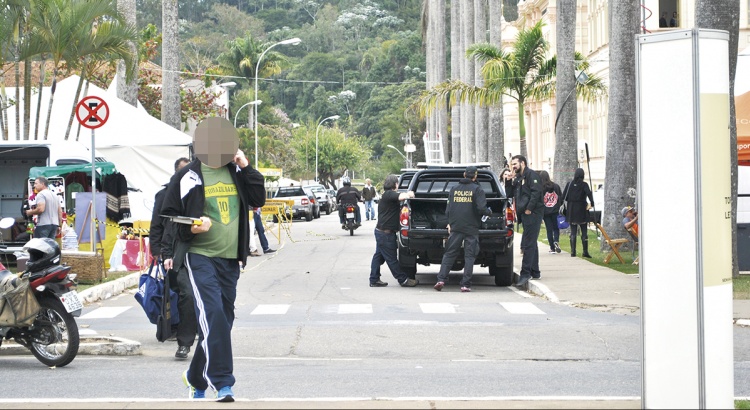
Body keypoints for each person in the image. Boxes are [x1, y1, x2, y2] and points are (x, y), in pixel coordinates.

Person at [161, 117, 266, 402]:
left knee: (224, 319)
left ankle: (195, 377)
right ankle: (222, 382)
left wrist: (246, 166)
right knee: (213, 315)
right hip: (200, 256)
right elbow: (169, 214)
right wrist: (192, 227)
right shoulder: (189, 176)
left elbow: (259, 198)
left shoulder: (235, 172)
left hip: (230, 258)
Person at [150, 157, 195, 360]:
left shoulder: (197, 191)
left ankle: (204, 333)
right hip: (178, 252)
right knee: (185, 294)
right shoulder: (167, 195)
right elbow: (162, 225)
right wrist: (161, 251)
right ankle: (184, 340)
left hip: (203, 251)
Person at [433, 166, 492, 292]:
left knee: (449, 253)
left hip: (456, 227)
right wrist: (489, 212)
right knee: (469, 256)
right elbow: (482, 209)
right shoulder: (477, 189)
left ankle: (441, 279)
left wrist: (450, 223)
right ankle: (465, 284)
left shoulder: (454, 189)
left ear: (464, 174)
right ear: (475, 176)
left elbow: (448, 209)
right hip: (471, 228)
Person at [368, 174, 419, 288]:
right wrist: (409, 194)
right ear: (395, 184)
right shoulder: (389, 194)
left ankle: (374, 279)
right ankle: (403, 280)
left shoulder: (386, 195)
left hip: (382, 232)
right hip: (385, 234)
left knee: (378, 257)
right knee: (392, 259)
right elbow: (401, 197)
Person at [511, 155, 543, 287]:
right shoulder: (519, 178)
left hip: (533, 213)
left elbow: (536, 193)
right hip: (524, 213)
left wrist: (529, 208)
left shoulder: (532, 176)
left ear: (522, 163)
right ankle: (535, 271)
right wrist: (508, 180)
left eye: (515, 164)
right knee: (531, 241)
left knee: (528, 243)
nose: (513, 167)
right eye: (512, 164)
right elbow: (511, 194)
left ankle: (526, 273)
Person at [562, 168, 595, 259]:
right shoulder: (584, 185)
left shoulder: (569, 184)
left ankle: (573, 251)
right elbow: (589, 193)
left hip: (571, 208)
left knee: (573, 231)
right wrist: (592, 203)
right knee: (584, 230)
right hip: (581, 208)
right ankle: (585, 251)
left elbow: (564, 196)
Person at [539, 170, 563, 254]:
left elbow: (539, 201)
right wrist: (558, 205)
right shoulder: (556, 186)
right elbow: (561, 197)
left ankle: (552, 248)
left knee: (549, 229)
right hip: (555, 211)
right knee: (556, 228)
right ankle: (556, 241)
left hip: (545, 212)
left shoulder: (540, 188)